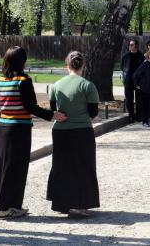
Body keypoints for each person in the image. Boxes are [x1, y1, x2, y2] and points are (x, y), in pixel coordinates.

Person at [0, 46, 67, 219]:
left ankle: (0, 203)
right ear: (22, 61)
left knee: (2, 167)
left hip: (2, 128)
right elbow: (31, 107)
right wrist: (53, 115)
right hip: (19, 129)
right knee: (17, 168)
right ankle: (11, 206)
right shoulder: (23, 81)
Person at [46, 51, 100, 217]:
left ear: (66, 66)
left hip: (60, 131)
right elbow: (93, 112)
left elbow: (53, 110)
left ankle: (62, 203)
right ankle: (80, 203)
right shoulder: (88, 85)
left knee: (62, 167)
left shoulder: (55, 86)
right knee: (83, 166)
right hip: (82, 130)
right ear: (83, 65)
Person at [121, 39, 145, 123]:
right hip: (128, 80)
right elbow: (122, 68)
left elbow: (143, 69)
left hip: (138, 80)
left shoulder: (141, 56)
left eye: (132, 45)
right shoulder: (126, 56)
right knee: (129, 98)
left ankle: (139, 116)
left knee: (139, 99)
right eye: (130, 45)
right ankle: (131, 115)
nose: (130, 46)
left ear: (136, 46)